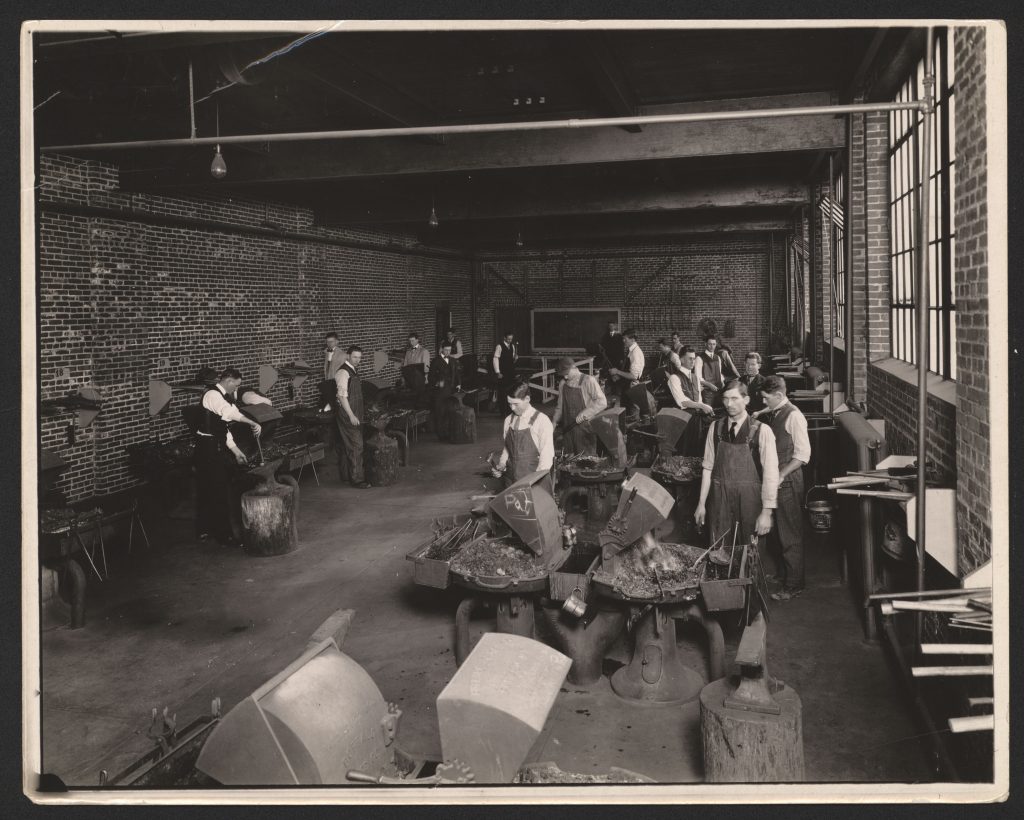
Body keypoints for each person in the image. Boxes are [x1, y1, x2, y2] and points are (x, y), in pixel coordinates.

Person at [694, 381, 780, 571]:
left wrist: (767, 512)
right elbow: (708, 468)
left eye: (734, 398)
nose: (729, 404)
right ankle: (722, 596)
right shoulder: (715, 428)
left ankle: (750, 598)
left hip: (750, 502)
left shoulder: (762, 431)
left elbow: (771, 475)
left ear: (746, 400)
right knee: (719, 552)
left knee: (751, 555)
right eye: (725, 398)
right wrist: (701, 503)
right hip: (720, 501)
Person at [195, 368, 263, 547]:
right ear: (228, 380)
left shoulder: (225, 397)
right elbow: (228, 412)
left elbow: (223, 429)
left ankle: (204, 529)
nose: (236, 389)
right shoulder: (212, 395)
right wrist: (251, 422)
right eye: (236, 385)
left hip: (215, 443)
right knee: (217, 490)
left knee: (209, 487)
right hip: (206, 448)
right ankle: (224, 536)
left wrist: (236, 451)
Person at [759, 375, 811, 601]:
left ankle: (794, 584)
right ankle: (783, 574)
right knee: (778, 532)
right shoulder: (777, 411)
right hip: (776, 478)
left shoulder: (795, 417)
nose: (763, 402)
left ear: (779, 395)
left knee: (790, 533)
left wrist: (780, 474)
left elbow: (802, 456)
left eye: (765, 398)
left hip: (788, 480)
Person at [491, 380, 555, 489]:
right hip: (511, 481)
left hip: (534, 481)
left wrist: (534, 482)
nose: (512, 408)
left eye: (516, 404)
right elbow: (507, 449)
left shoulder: (541, 421)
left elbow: (546, 457)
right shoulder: (508, 420)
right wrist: (501, 466)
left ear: (527, 399)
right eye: (509, 403)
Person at [551, 357, 607, 455]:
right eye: (563, 375)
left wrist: (585, 413)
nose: (565, 377)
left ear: (574, 368)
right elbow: (560, 406)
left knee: (586, 462)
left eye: (567, 374)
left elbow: (602, 402)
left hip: (585, 429)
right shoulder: (563, 384)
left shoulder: (588, 380)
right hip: (568, 429)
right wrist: (554, 422)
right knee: (569, 461)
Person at [334, 345, 372, 489]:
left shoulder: (354, 371)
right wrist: (351, 415)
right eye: (355, 357)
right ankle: (357, 479)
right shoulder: (344, 372)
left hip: (356, 412)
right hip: (347, 414)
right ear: (348, 356)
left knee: (348, 445)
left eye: (360, 357)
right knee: (356, 446)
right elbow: (342, 397)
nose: (358, 360)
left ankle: (346, 476)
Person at [607, 329, 646, 420]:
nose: (623, 341)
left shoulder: (635, 353)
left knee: (631, 416)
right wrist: (619, 376)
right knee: (625, 414)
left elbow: (633, 376)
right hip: (627, 388)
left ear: (632, 340)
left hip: (632, 388)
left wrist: (617, 372)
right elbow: (628, 370)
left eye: (625, 339)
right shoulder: (631, 350)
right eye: (623, 339)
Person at [430, 340, 462, 440]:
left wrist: (459, 384)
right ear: (442, 350)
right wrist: (437, 383)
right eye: (446, 350)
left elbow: (457, 373)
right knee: (440, 412)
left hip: (451, 390)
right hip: (440, 392)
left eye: (449, 350)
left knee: (450, 412)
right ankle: (441, 435)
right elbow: (431, 376)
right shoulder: (436, 361)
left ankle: (448, 433)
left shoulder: (453, 360)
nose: (448, 352)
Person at [492, 331, 519, 415]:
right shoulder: (499, 346)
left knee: (511, 392)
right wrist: (498, 372)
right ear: (504, 338)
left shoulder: (513, 346)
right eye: (508, 339)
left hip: (510, 372)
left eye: (511, 339)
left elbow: (513, 360)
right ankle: (503, 412)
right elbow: (495, 359)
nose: (510, 341)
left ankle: (510, 411)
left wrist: (516, 358)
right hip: (502, 373)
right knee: (503, 392)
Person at [695, 335, 724, 406]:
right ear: (705, 344)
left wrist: (722, 381)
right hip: (707, 393)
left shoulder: (718, 358)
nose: (712, 346)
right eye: (710, 344)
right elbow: (698, 378)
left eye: (714, 344)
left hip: (718, 390)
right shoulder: (699, 358)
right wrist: (710, 385)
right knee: (708, 413)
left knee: (719, 413)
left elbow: (719, 373)